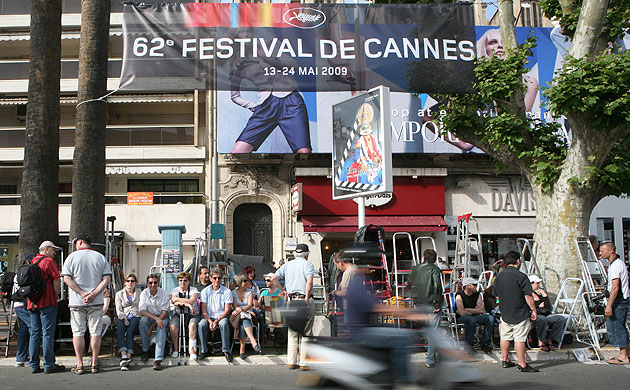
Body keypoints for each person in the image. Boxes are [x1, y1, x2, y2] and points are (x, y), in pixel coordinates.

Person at [344, 266, 435, 389]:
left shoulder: (359, 282)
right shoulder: (357, 283)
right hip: (361, 332)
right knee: (402, 337)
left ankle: (390, 373)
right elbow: (378, 308)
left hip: (364, 326)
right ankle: (403, 383)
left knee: (397, 328)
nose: (372, 270)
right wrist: (411, 314)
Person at [229, 28, 311, 154]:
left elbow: (293, 64)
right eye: (242, 33)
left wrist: (269, 58)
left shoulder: (270, 46)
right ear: (236, 38)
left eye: (248, 31)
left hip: (291, 100)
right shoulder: (238, 63)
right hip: (266, 105)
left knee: (304, 152)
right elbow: (235, 96)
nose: (246, 35)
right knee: (238, 152)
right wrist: (254, 106)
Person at [61, 234, 112, 374]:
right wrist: (94, 294)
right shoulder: (100, 257)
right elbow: (106, 279)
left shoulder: (71, 257)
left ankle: (80, 364)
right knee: (95, 332)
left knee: (78, 332)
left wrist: (82, 293)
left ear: (80, 242)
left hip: (77, 302)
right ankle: (94, 363)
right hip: (96, 301)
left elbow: (67, 279)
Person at [492, 251, 538, 372]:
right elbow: (528, 296)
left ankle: (505, 360)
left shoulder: (499, 277)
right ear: (518, 261)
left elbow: (496, 296)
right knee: (520, 338)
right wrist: (534, 310)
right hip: (519, 311)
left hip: (505, 311)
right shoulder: (521, 276)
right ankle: (522, 364)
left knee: (505, 337)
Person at [476, 29, 539, 113]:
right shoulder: (475, 81)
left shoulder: (529, 83)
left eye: (504, 42)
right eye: (493, 42)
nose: (500, 46)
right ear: (484, 47)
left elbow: (519, 114)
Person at [274, 243, 314, 370]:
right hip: (303, 300)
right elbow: (310, 281)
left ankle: (292, 361)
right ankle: (304, 363)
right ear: (307, 254)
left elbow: (274, 277)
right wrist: (307, 298)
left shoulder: (288, 265)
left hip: (291, 300)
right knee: (306, 332)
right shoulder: (308, 264)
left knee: (292, 332)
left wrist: (283, 291)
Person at [27, 241, 65, 374]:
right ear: (47, 249)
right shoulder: (49, 262)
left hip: (31, 303)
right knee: (48, 334)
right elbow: (56, 281)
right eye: (53, 250)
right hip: (47, 302)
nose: (54, 253)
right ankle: (49, 365)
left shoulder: (30, 261)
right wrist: (56, 294)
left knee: (35, 334)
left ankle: (33, 365)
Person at [408, 248, 442, 368]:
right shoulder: (435, 269)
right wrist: (437, 302)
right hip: (432, 304)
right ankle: (430, 359)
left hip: (419, 303)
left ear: (424, 257)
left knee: (423, 330)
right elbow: (437, 286)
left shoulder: (416, 268)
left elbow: (408, 283)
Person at [600, 242, 630, 364]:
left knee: (617, 327)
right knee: (620, 326)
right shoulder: (617, 264)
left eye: (602, 251)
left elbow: (615, 287)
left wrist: (609, 305)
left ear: (611, 251)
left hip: (618, 301)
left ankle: (623, 356)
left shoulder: (616, 266)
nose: (600, 253)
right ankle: (625, 354)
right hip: (620, 300)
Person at [198, 267, 234, 362]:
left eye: (219, 278)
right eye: (214, 278)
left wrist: (217, 321)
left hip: (221, 316)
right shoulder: (205, 291)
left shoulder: (227, 291)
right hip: (208, 317)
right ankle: (203, 350)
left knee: (224, 323)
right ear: (210, 279)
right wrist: (210, 321)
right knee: (201, 324)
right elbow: (203, 310)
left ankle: (226, 350)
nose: (217, 280)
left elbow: (227, 310)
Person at [138, 274, 170, 370]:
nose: (153, 285)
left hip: (162, 316)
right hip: (150, 316)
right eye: (150, 283)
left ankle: (158, 359)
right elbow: (142, 311)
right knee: (143, 321)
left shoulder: (164, 293)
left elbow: (165, 313)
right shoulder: (144, 293)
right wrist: (155, 319)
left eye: (155, 282)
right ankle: (145, 350)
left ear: (158, 283)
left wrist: (153, 326)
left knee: (162, 325)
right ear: (147, 284)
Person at [455, 277, 494, 354]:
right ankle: (469, 345)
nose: (476, 286)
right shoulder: (459, 295)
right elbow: (462, 313)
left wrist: (468, 310)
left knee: (490, 318)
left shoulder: (477, 294)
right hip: (461, 318)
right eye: (474, 285)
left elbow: (481, 310)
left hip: (473, 316)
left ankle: (485, 343)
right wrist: (474, 311)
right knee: (471, 320)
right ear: (468, 286)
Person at [169, 271, 201, 360]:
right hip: (178, 313)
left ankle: (192, 350)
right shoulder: (174, 290)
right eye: (180, 280)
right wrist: (187, 304)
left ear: (189, 281)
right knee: (172, 326)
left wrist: (178, 300)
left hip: (192, 314)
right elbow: (173, 301)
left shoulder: (193, 290)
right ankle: (176, 349)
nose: (183, 282)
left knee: (192, 325)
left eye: (185, 280)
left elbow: (192, 300)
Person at [529, 275, 565, 351]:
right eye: (537, 283)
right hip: (534, 315)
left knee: (560, 319)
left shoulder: (539, 294)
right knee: (542, 319)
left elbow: (548, 307)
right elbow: (529, 308)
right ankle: (541, 341)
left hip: (545, 314)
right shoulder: (528, 295)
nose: (538, 285)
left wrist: (545, 296)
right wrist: (539, 307)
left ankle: (551, 338)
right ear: (531, 284)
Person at [231, 272, 261, 359]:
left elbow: (249, 305)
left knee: (243, 322)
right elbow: (235, 306)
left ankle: (242, 349)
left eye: (247, 280)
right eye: (245, 281)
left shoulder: (250, 292)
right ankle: (253, 341)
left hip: (247, 312)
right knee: (243, 319)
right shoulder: (233, 293)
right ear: (239, 282)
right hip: (237, 314)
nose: (247, 282)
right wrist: (240, 310)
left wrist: (243, 310)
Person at [115, 273, 141, 371]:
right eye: (128, 281)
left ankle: (128, 355)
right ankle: (124, 355)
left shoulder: (139, 292)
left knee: (130, 332)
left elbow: (141, 305)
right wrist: (124, 318)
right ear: (125, 283)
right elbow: (118, 309)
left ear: (135, 283)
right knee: (120, 331)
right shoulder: (119, 294)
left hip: (136, 315)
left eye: (132, 281)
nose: (130, 283)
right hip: (123, 315)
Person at [12, 254, 34, 368]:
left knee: (24, 330)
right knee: (33, 329)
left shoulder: (18, 274)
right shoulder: (28, 272)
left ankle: (21, 358)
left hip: (18, 303)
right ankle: (32, 357)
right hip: (25, 304)